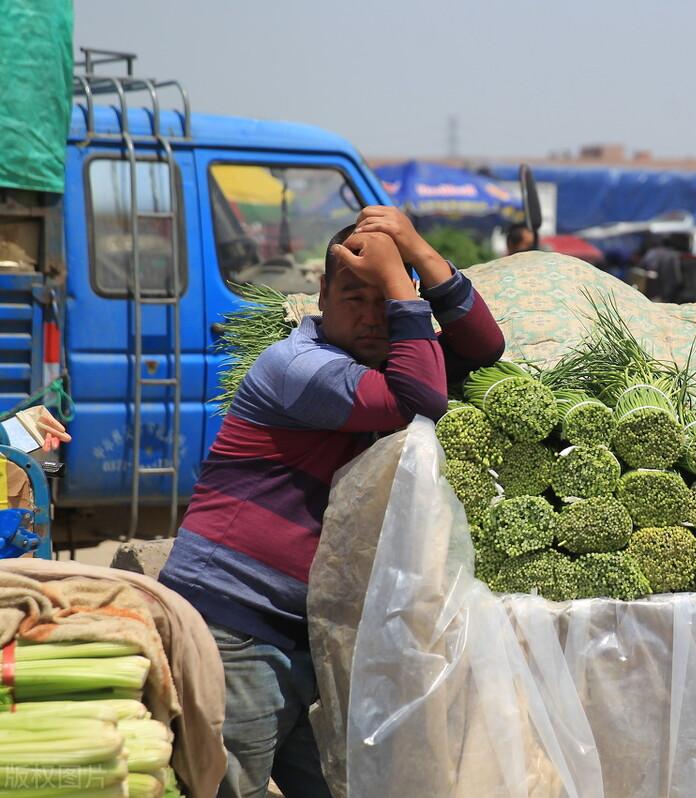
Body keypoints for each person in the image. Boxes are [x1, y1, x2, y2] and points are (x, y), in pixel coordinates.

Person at [158, 206, 504, 798]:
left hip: (306, 629)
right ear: (320, 292)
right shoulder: (301, 366)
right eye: (355, 297)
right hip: (237, 620)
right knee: (225, 786)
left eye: (385, 300)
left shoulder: (381, 362)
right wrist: (398, 284)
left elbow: (485, 346)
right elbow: (419, 398)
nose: (374, 317)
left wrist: (416, 252)